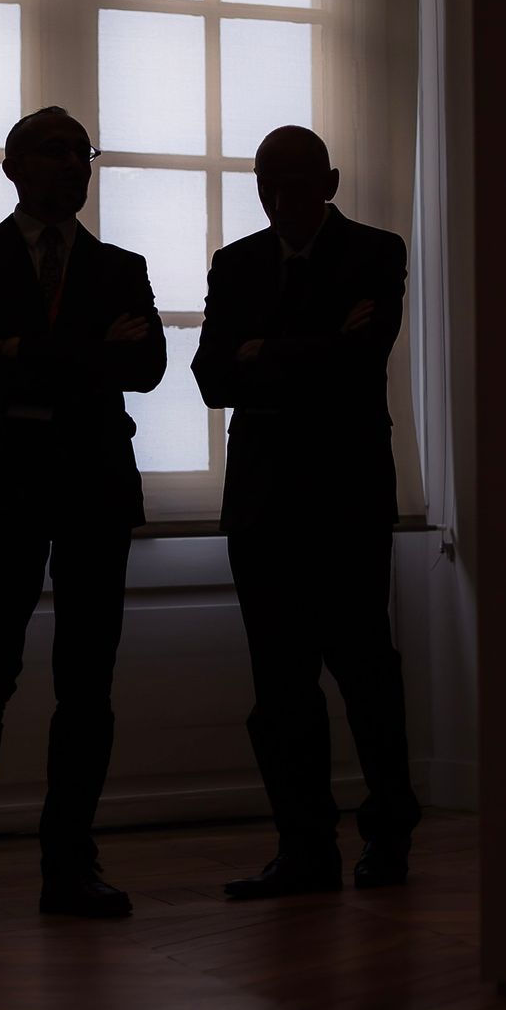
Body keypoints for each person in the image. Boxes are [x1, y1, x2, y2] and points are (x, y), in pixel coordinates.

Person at [0, 107, 166, 920]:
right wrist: (91, 353)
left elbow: (151, 368)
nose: (73, 166)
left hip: (92, 485)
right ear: (11, 166)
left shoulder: (122, 266)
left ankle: (70, 865)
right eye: (54, 153)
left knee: (86, 684)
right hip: (4, 486)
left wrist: (19, 351)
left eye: (82, 154)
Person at [191, 125, 421, 899]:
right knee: (280, 688)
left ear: (328, 180)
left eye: (291, 180)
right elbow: (210, 378)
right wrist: (310, 349)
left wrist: (260, 352)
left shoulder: (375, 251)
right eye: (264, 181)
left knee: (364, 674)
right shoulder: (238, 262)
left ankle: (386, 838)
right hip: (262, 507)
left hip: (345, 500)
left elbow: (361, 358)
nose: (277, 196)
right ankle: (305, 848)